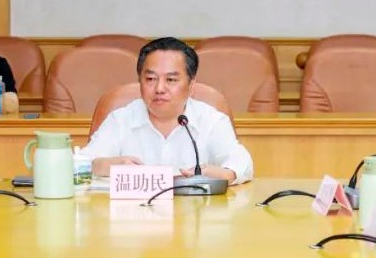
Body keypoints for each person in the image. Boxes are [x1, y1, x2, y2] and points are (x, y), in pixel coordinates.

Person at [81, 37, 253, 184]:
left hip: (194, 211)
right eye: (150, 79)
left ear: (191, 85)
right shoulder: (120, 119)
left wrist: (225, 174)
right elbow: (81, 163)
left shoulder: (210, 120)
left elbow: (242, 163)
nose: (159, 89)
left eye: (171, 80)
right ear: (140, 81)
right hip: (133, 212)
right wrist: (107, 166)